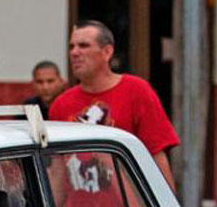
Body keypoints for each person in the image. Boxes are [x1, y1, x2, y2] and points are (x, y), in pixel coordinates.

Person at [48, 20, 179, 190]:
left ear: (107, 51)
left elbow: (156, 157)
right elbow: (59, 172)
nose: (74, 52)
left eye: (84, 45)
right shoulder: (61, 104)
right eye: (71, 46)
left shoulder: (137, 91)